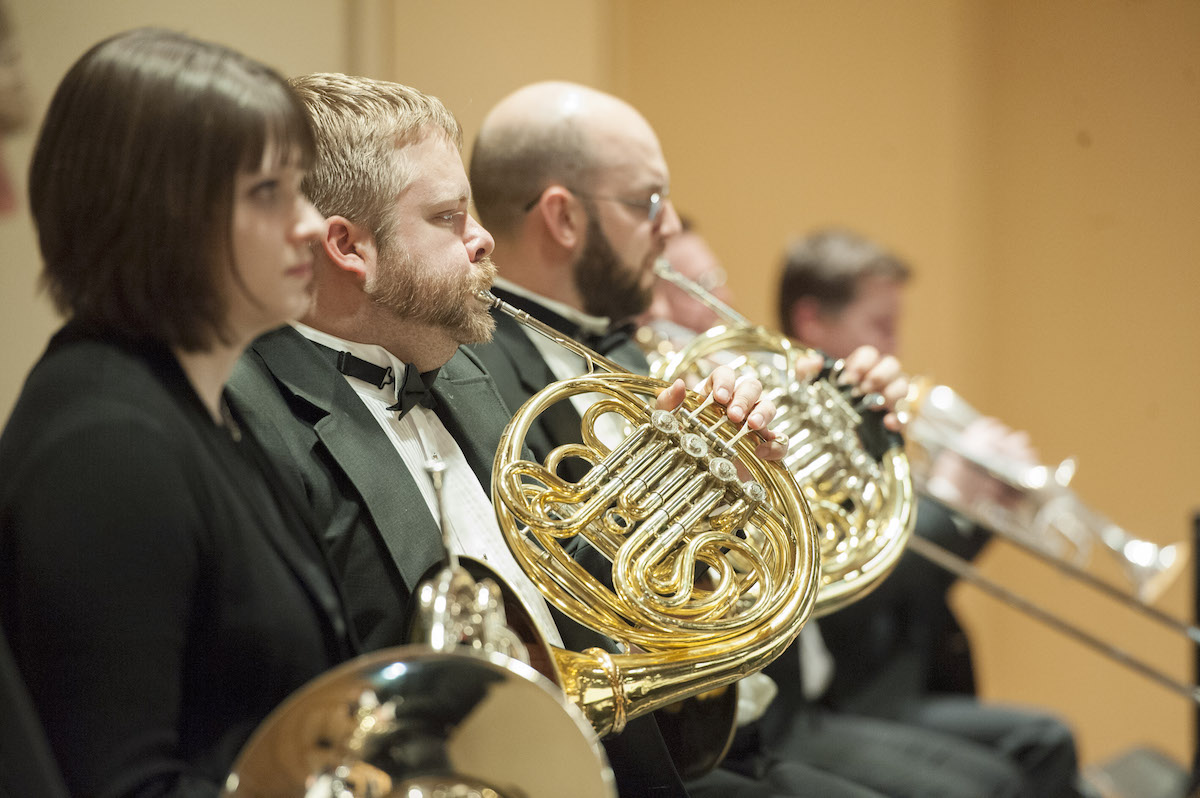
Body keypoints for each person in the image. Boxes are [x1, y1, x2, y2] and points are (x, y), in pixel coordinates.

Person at [466, 79, 1060, 798]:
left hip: (740, 726)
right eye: (648, 201)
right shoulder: (477, 376)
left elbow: (789, 570)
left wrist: (848, 441)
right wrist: (705, 504)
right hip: (639, 747)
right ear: (562, 217)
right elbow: (572, 581)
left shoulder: (633, 353)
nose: (667, 225)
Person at [225, 72, 789, 798]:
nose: (483, 237)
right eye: (448, 217)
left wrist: (699, 499)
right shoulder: (250, 418)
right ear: (348, 246)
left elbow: (559, 590)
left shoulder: (458, 371)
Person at [0, 29, 355, 798]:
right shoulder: (106, 446)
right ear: (159, 213)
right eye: (268, 192)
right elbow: (120, 784)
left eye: (301, 186)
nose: (308, 223)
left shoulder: (201, 404)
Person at [776, 227, 1089, 795]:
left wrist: (984, 507)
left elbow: (922, 579)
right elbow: (851, 593)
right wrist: (948, 501)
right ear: (812, 321)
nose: (894, 346)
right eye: (880, 326)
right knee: (1025, 756)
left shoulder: (868, 418)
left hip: (908, 676)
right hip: (849, 691)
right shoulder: (790, 428)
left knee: (1043, 744)